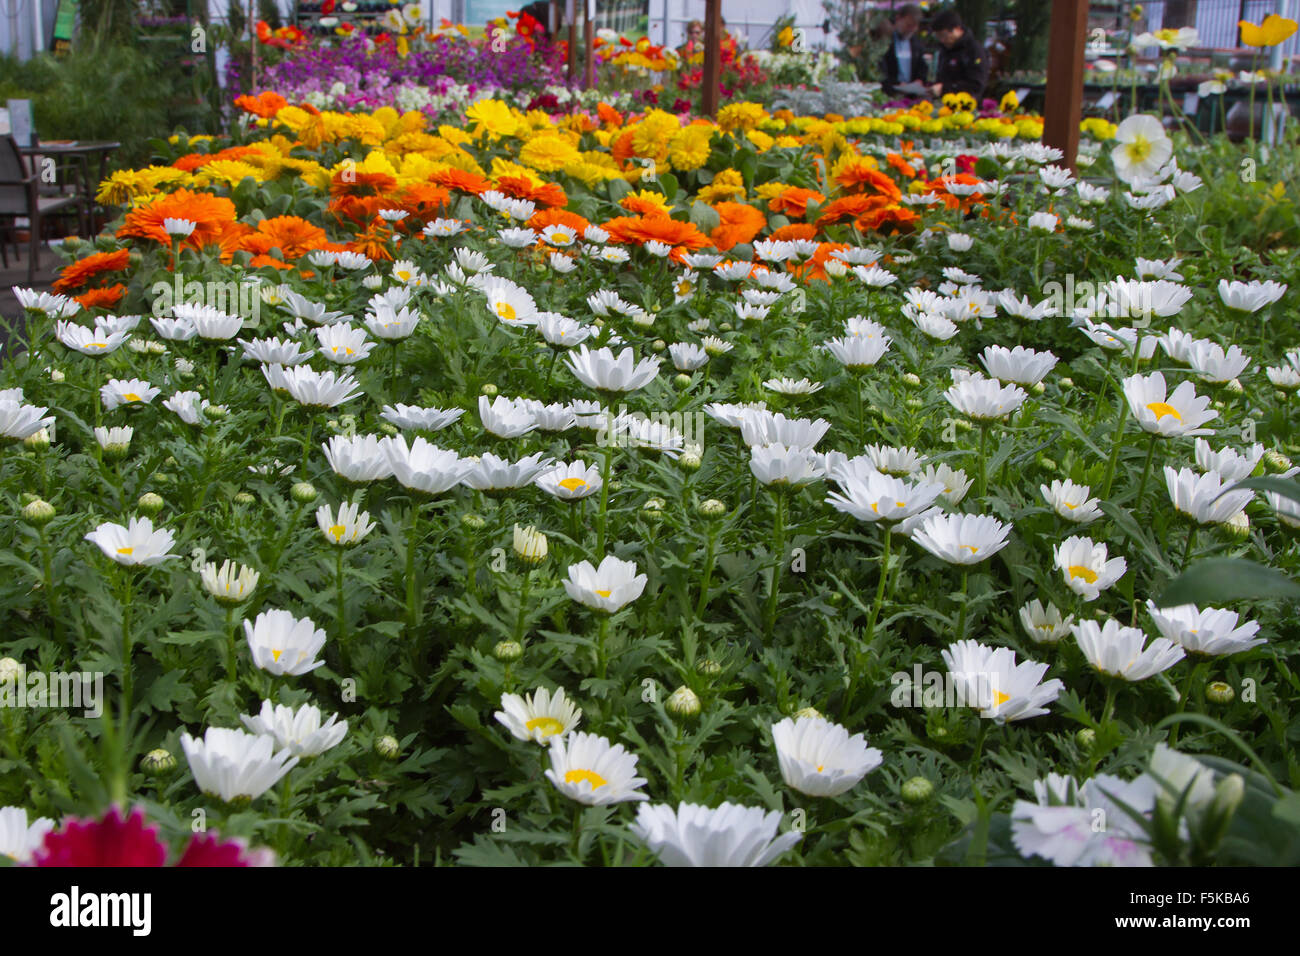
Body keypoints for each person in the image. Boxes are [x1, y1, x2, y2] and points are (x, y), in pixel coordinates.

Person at [929, 8, 990, 100]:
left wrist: (945, 88)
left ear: (957, 29)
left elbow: (976, 85)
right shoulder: (945, 49)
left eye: (944, 35)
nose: (942, 40)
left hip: (966, 105)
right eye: (938, 37)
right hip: (944, 104)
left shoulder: (974, 50)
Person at [880, 4, 927, 95]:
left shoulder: (916, 43)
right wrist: (897, 83)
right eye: (908, 25)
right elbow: (881, 70)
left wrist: (919, 80)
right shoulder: (886, 40)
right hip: (890, 91)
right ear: (898, 19)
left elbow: (922, 66)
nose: (912, 29)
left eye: (915, 26)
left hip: (911, 93)